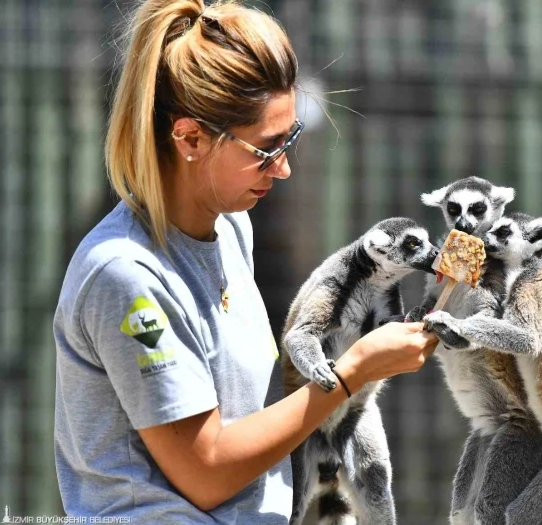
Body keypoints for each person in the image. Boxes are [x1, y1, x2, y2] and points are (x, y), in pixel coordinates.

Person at [52, 1, 438, 523]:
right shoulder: (126, 275)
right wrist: (351, 373)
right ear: (189, 138)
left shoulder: (232, 226)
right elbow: (207, 471)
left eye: (291, 138)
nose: (282, 170)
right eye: (266, 148)